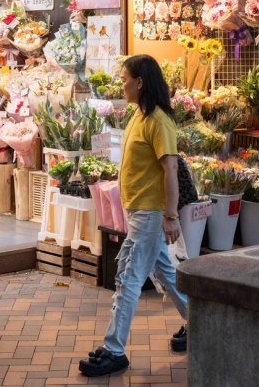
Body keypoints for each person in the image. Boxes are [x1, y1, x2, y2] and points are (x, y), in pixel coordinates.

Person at [79, 54, 187, 378]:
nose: (121, 84)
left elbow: (170, 170)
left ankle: (114, 349)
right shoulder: (138, 115)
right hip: (138, 211)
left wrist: (171, 216)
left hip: (151, 214)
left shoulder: (159, 121)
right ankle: (201, 321)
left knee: (127, 277)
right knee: (167, 273)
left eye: (125, 78)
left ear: (140, 82)